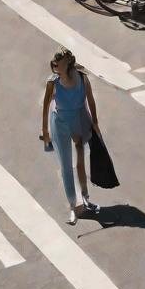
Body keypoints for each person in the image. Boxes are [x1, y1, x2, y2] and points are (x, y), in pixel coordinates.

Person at [40, 47, 102, 225]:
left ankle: (86, 198)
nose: (54, 67)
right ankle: (73, 206)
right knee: (66, 166)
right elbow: (45, 109)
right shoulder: (53, 83)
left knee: (80, 162)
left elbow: (90, 100)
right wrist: (45, 133)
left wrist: (95, 123)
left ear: (66, 63)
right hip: (59, 124)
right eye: (53, 64)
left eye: (56, 64)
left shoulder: (82, 79)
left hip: (78, 121)